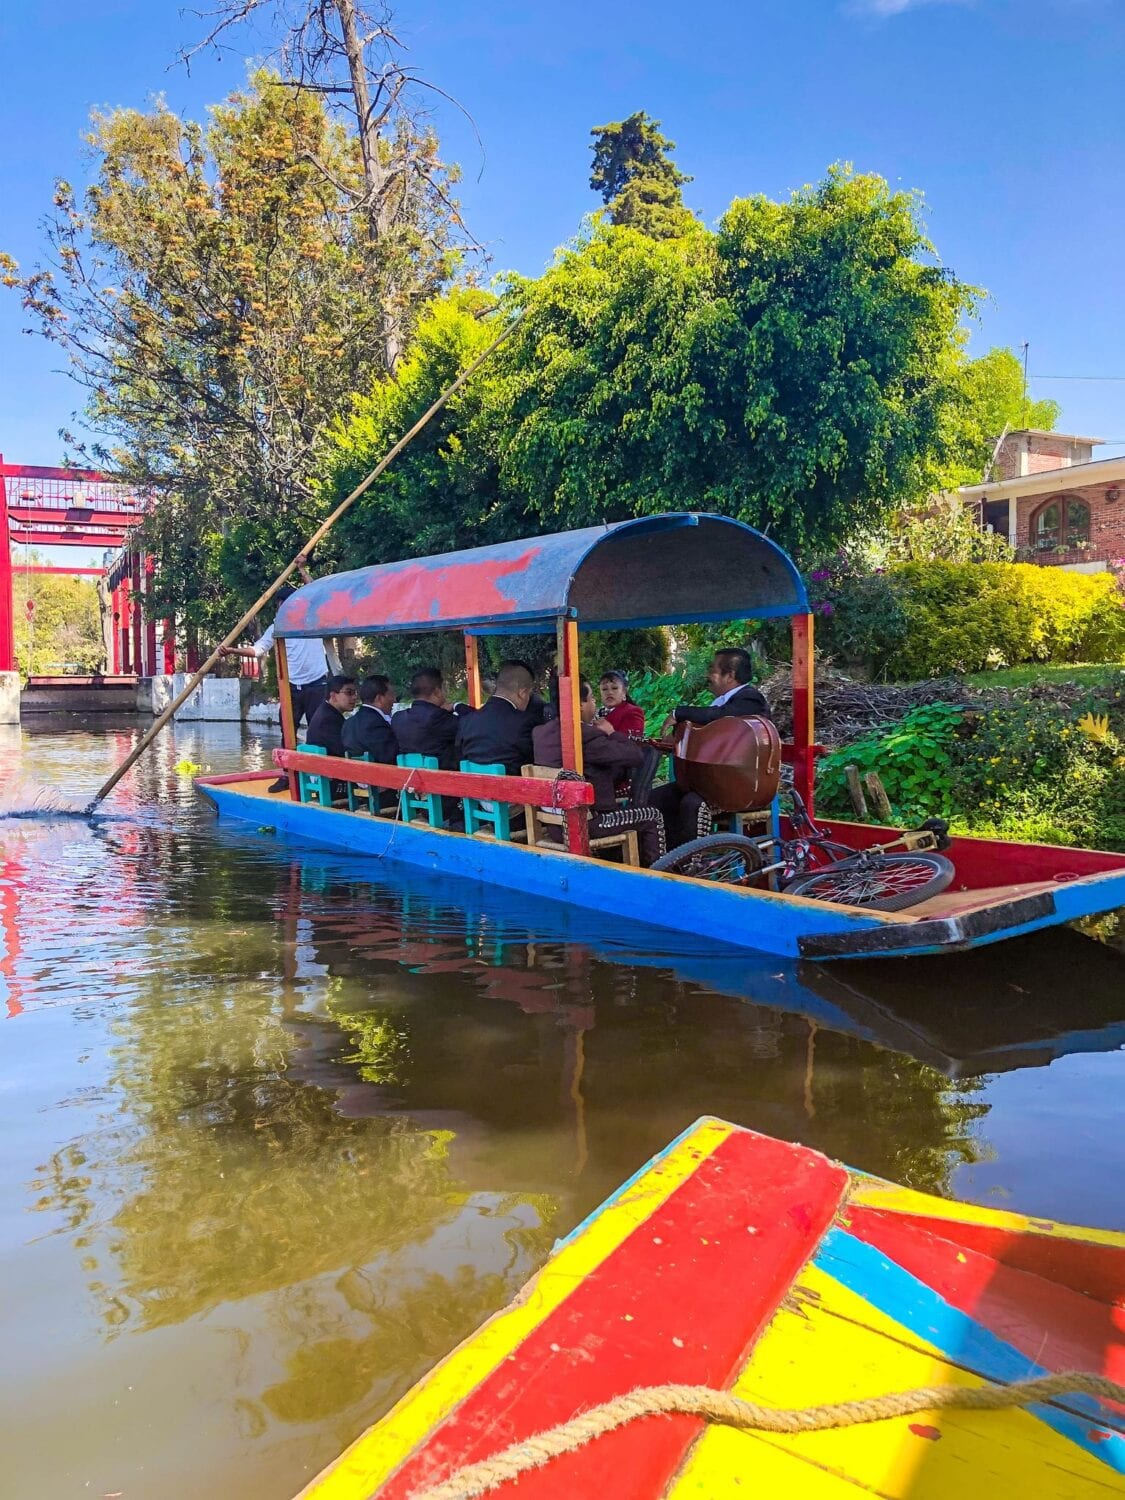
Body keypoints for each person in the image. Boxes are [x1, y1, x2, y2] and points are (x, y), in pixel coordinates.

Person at [221, 556, 338, 792]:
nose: (283, 608)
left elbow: (316, 593)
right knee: (288, 734)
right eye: (280, 605)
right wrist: (231, 650)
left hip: (317, 684)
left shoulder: (311, 620)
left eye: (287, 604)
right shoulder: (277, 628)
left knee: (321, 731)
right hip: (292, 688)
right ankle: (288, 776)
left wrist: (302, 569)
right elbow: (257, 650)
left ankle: (328, 779)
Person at [532, 682, 666, 866]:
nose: (595, 703)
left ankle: (618, 861)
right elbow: (636, 756)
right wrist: (611, 732)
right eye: (592, 698)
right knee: (652, 815)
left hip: (555, 826)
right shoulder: (584, 736)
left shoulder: (540, 733)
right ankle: (657, 876)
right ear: (579, 704)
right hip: (584, 826)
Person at [650, 648, 773, 849]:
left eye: (712, 670)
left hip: (740, 787)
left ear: (730, 676)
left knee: (692, 804)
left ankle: (689, 865)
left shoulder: (750, 699)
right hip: (711, 783)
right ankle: (663, 857)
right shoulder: (723, 702)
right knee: (657, 798)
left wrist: (679, 712)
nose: (708, 675)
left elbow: (721, 716)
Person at [456, 661, 540, 776]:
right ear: (523, 692)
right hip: (513, 791)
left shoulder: (467, 720)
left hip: (473, 791)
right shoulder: (525, 723)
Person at [391, 667, 459, 769]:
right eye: (444, 688)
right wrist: (456, 706)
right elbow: (472, 724)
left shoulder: (398, 719)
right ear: (437, 691)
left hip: (411, 780)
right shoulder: (439, 717)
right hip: (444, 779)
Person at [342, 675, 397, 763]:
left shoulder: (348, 723)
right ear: (379, 698)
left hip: (357, 774)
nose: (394, 699)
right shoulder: (375, 724)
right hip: (378, 774)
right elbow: (391, 758)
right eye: (391, 694)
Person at [305, 674, 358, 758]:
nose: (355, 697)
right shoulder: (328, 719)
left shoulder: (327, 711)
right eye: (349, 693)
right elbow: (345, 750)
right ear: (333, 696)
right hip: (326, 768)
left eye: (355, 693)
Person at [598, 671, 646, 737]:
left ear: (624, 692)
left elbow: (632, 743)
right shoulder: (597, 714)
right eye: (604, 689)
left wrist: (611, 732)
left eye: (614, 688)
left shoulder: (633, 712)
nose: (609, 692)